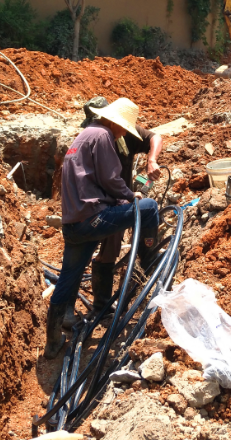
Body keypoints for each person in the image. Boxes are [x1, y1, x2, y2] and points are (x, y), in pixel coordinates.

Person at [44, 97, 161, 359]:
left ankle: (52, 341)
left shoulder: (83, 136)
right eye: (123, 128)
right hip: (94, 215)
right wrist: (133, 197)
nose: (123, 133)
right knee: (150, 207)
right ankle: (149, 263)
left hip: (74, 222)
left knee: (68, 276)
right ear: (114, 122)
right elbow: (111, 178)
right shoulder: (104, 135)